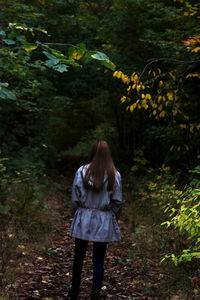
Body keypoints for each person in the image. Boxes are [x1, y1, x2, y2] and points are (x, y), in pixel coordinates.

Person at [68, 140, 123, 300]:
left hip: (83, 216)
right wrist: (113, 217)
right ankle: (95, 292)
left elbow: (75, 198)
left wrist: (75, 215)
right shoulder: (114, 174)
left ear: (92, 152)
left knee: (79, 255)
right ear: (108, 154)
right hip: (103, 218)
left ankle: (74, 291)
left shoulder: (81, 171)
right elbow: (118, 202)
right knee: (99, 258)